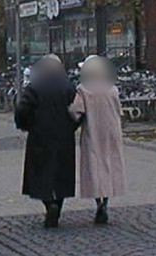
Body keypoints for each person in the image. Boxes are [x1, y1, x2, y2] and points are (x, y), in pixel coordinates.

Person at [14, 54, 77, 228]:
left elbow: (22, 109)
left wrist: (25, 125)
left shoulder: (35, 87)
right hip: (64, 138)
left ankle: (49, 204)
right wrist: (72, 127)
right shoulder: (69, 87)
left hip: (40, 136)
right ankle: (58, 203)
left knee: (40, 173)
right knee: (62, 174)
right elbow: (79, 111)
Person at [69, 55, 127, 225]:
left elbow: (76, 112)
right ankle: (106, 201)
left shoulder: (83, 89)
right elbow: (119, 110)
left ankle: (98, 201)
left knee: (94, 168)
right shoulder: (112, 89)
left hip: (92, 133)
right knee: (110, 166)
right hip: (111, 133)